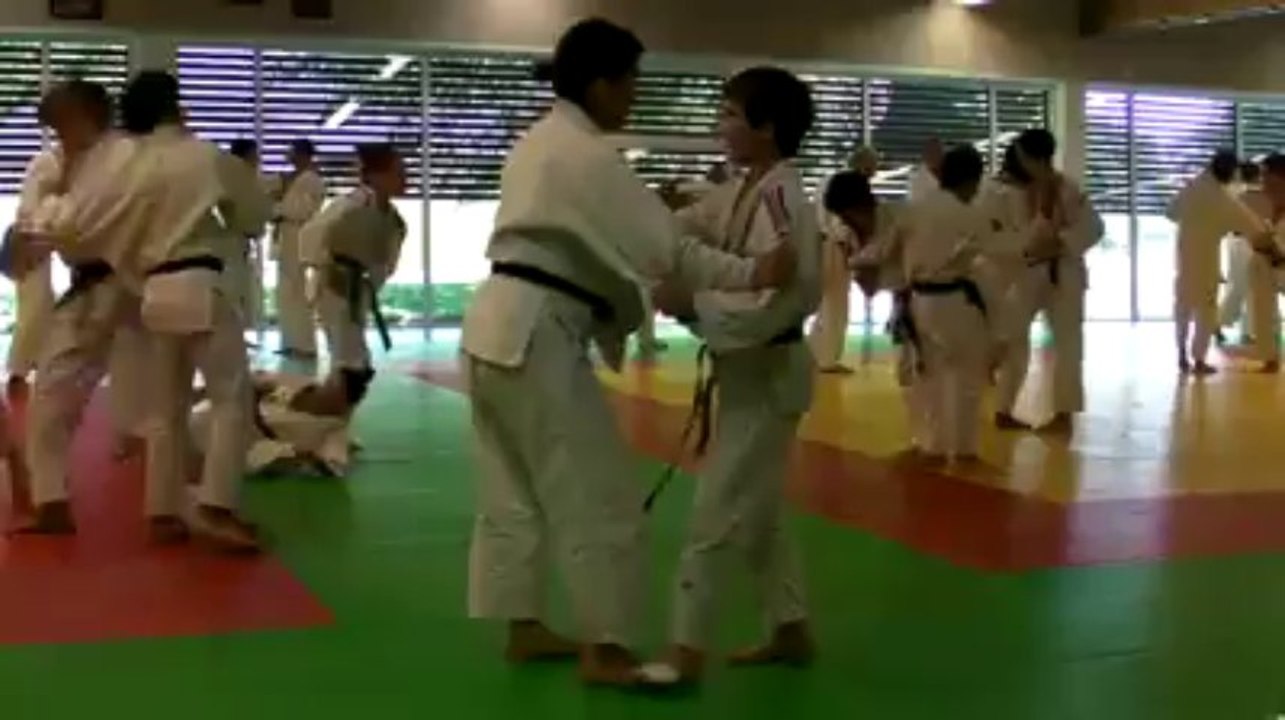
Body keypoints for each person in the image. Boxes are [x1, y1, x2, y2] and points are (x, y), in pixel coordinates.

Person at [460, 18, 797, 688]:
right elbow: (665, 250)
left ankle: (523, 626)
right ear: (600, 85)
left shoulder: (539, 140)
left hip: (493, 324)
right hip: (536, 331)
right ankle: (606, 648)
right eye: (630, 82)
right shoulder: (585, 155)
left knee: (512, 490)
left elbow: (624, 230)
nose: (635, 95)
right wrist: (751, 272)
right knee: (602, 492)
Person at [645, 67, 820, 687]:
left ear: (766, 128)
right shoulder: (751, 186)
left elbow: (779, 301)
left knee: (713, 513)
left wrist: (693, 306)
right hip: (751, 372)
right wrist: (664, 211)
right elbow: (702, 216)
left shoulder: (782, 199)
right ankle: (791, 629)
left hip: (769, 373)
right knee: (759, 515)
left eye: (728, 115)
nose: (719, 126)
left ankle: (685, 650)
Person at [112, 70, 263, 552]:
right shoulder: (204, 155)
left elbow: (118, 239)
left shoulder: (128, 165)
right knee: (230, 399)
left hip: (153, 291)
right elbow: (254, 216)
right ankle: (217, 506)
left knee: (165, 409)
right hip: (200, 283)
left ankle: (162, 512)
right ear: (175, 105)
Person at [19, 80, 143, 534]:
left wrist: (51, 204)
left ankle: (53, 501)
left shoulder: (119, 158)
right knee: (60, 392)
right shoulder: (87, 159)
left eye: (60, 126)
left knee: (58, 391)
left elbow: (69, 224)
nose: (58, 138)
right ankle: (51, 499)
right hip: (105, 287)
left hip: (116, 287)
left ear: (83, 117)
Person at [993, 129, 1104, 434]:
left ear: (1029, 156)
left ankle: (1064, 414)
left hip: (1063, 272)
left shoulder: (1067, 188)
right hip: (1027, 270)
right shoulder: (1011, 191)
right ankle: (1004, 408)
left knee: (1068, 344)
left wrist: (1060, 243)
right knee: (1013, 336)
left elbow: (1094, 228)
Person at [900, 145, 1002, 465]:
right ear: (972, 180)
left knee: (929, 375)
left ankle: (931, 445)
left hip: (919, 301)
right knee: (966, 376)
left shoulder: (914, 208)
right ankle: (964, 448)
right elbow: (994, 249)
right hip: (955, 301)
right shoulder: (969, 214)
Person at [300, 142, 407, 404]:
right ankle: (300, 406)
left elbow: (385, 263)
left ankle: (323, 415)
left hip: (358, 293)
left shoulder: (394, 219)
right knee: (351, 367)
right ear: (374, 175)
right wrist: (329, 267)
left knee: (352, 366)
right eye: (398, 172)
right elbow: (310, 237)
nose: (405, 178)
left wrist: (369, 284)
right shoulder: (350, 205)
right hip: (334, 288)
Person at [1168, 150, 1268, 375]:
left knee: (1183, 306)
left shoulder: (1193, 188)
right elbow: (1252, 226)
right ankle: (1198, 360)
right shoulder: (1223, 199)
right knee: (1205, 310)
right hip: (1206, 260)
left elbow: (1171, 212)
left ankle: (1182, 354)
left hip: (1183, 257)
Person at [190, 370, 357, 478]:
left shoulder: (332, 430)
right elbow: (251, 378)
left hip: (238, 439)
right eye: (327, 382)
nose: (323, 387)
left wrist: (256, 415)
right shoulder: (296, 383)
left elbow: (327, 465)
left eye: (331, 387)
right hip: (210, 414)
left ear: (343, 404)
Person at [809, 145, 878, 374]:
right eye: (872, 168)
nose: (873, 173)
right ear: (863, 165)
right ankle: (827, 359)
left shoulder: (828, 180)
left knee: (827, 303)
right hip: (834, 246)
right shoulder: (845, 185)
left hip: (822, 245)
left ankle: (816, 353)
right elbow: (841, 224)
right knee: (836, 304)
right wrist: (851, 251)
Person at [7, 146, 59, 394]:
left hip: (38, 236)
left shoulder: (65, 162)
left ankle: (35, 363)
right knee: (35, 305)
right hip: (28, 238)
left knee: (43, 304)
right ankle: (18, 371)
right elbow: (31, 211)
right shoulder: (50, 162)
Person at [270, 138, 326, 359]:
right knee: (286, 291)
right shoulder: (294, 178)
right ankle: (291, 341)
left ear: (303, 155)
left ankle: (305, 345)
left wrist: (277, 207)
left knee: (296, 291)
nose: (288, 156)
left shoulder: (311, 180)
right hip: (288, 236)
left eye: (291, 152)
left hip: (298, 236)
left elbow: (303, 210)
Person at [225, 138, 272, 332]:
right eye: (254, 156)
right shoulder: (234, 181)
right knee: (233, 288)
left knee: (241, 287)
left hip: (240, 241)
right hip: (230, 241)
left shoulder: (249, 180)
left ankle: (238, 330)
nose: (257, 160)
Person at [1247, 155, 1285, 371]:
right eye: (1264, 178)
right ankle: (1270, 357)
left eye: (1269, 177)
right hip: (1264, 263)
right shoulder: (1259, 202)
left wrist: (1278, 253)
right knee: (1263, 310)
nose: (1265, 183)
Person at [907, 137, 944, 202]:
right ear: (924, 155)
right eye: (931, 152)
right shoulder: (917, 180)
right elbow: (917, 203)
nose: (934, 156)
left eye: (938, 151)